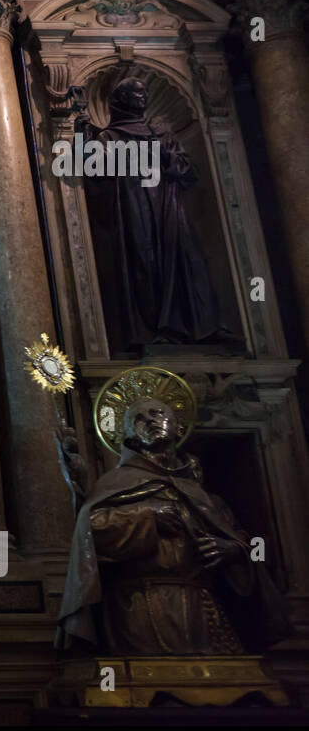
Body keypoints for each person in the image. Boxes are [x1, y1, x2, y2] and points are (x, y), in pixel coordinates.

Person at [57, 397, 288, 654]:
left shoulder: (203, 495)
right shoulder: (116, 483)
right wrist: (147, 516)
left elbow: (252, 546)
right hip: (142, 604)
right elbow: (90, 532)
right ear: (131, 438)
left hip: (205, 604)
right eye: (139, 419)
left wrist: (232, 550)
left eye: (157, 413)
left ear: (176, 426)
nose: (151, 421)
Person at [81, 78, 237, 350]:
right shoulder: (109, 137)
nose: (142, 97)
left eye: (145, 92)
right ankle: (154, 331)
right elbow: (95, 173)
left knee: (190, 261)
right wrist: (83, 136)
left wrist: (165, 153)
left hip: (169, 207)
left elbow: (188, 173)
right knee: (144, 265)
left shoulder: (163, 135)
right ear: (121, 100)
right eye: (135, 93)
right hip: (133, 209)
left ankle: (204, 327)